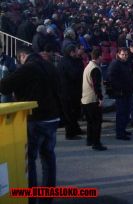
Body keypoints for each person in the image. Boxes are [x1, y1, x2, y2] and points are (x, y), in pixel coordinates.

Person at [0, 45, 61, 199]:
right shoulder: (50, 66)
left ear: (22, 56)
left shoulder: (28, 68)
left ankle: (31, 198)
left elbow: (4, 86)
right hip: (52, 117)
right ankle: (47, 198)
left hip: (35, 119)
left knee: (30, 160)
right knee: (48, 158)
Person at [57, 44, 85, 140]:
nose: (78, 52)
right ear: (71, 52)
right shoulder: (66, 62)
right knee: (69, 113)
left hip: (73, 91)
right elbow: (74, 75)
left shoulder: (71, 61)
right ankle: (70, 133)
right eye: (76, 50)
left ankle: (76, 128)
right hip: (68, 92)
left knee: (75, 111)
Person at [81, 48, 107, 151]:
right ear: (99, 56)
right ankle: (96, 143)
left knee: (90, 122)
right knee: (96, 123)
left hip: (86, 99)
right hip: (93, 99)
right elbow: (96, 85)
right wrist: (100, 98)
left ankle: (90, 139)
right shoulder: (95, 69)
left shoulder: (88, 66)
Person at [107, 47, 133, 140]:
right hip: (120, 93)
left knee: (127, 112)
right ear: (118, 54)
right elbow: (111, 78)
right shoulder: (115, 64)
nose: (125, 56)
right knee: (121, 113)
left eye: (126, 55)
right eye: (123, 54)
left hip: (128, 91)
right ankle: (120, 133)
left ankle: (123, 129)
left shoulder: (126, 63)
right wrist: (118, 88)